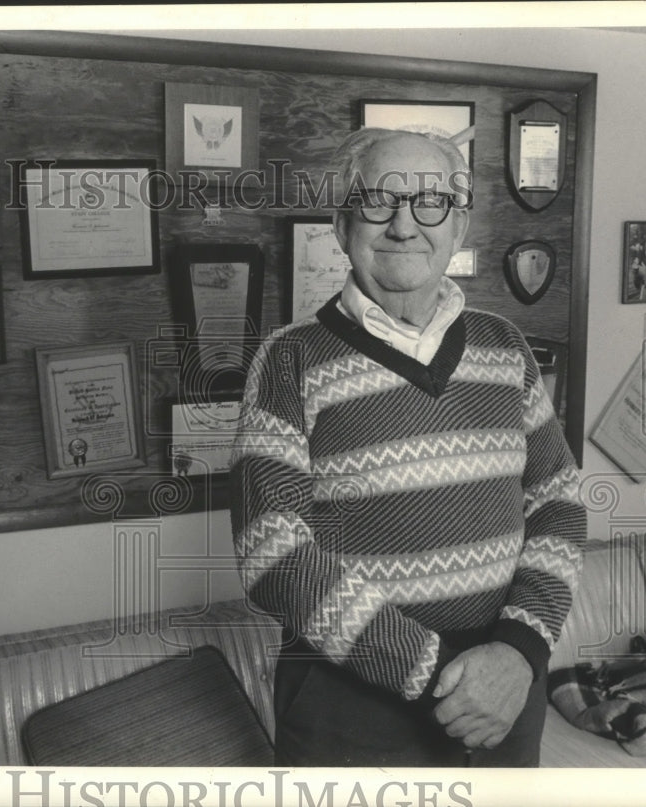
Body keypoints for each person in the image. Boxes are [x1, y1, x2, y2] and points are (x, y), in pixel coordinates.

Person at [229, 128, 586, 767]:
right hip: (352, 711)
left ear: (459, 226)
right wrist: (440, 675)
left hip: (506, 695)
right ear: (342, 225)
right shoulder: (289, 359)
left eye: (431, 202)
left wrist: (516, 653)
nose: (403, 225)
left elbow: (558, 503)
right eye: (377, 202)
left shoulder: (505, 348)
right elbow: (272, 553)